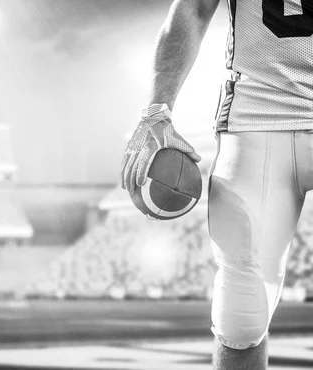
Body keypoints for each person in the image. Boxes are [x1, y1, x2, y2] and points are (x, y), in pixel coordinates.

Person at [120, 0, 313, 369]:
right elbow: (193, 7)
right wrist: (156, 110)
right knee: (240, 317)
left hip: (257, 114)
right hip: (259, 112)